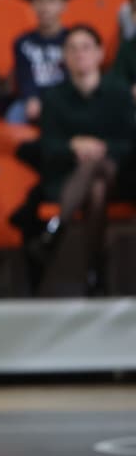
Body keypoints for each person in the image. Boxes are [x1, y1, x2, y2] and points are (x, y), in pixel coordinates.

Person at [25, 25, 133, 296]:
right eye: (72, 48)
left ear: (100, 53)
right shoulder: (54, 97)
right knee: (95, 186)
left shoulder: (119, 92)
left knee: (98, 166)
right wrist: (73, 146)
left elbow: (130, 144)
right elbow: (48, 147)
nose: (79, 54)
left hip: (121, 177)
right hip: (68, 179)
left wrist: (102, 147)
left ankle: (54, 233)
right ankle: (95, 275)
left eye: (85, 47)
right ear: (64, 56)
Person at [10, 0, 67, 123]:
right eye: (39, 0)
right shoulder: (22, 42)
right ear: (32, 4)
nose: (45, 7)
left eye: (51, 0)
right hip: (33, 100)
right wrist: (31, 97)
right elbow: (24, 76)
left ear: (63, 4)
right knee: (14, 115)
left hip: (66, 99)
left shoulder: (72, 40)